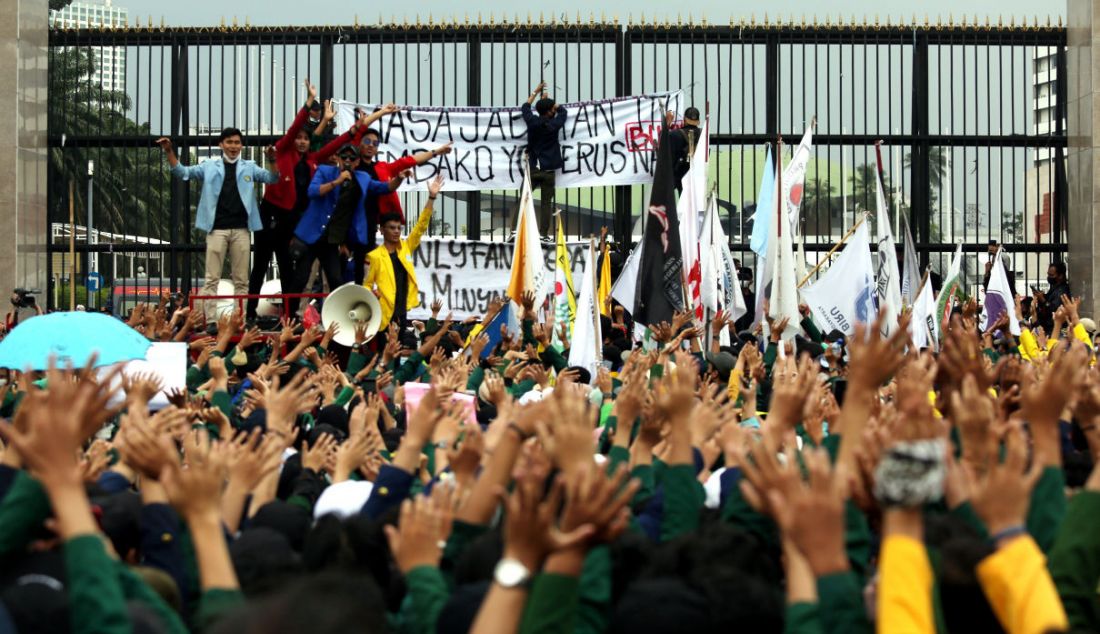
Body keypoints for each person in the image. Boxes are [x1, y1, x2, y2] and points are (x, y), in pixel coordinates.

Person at [247, 87, 396, 321]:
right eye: (299, 138)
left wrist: (380, 114)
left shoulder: (315, 161)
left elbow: (349, 136)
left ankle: (290, 317)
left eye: (306, 139)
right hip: (273, 215)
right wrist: (308, 103)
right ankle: (249, 314)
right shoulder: (285, 151)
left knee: (292, 271)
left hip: (296, 221)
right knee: (262, 267)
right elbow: (296, 129)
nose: (302, 141)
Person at [157, 129, 279, 315]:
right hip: (216, 229)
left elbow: (273, 178)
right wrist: (169, 151)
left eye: (237, 142)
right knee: (211, 278)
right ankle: (212, 320)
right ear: (221, 144)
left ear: (241, 145)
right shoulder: (209, 166)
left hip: (242, 230)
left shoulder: (249, 167)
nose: (233, 146)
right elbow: (181, 172)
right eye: (229, 142)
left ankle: (240, 319)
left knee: (241, 281)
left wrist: (272, 160)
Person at [284, 144, 405, 316]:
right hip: (310, 236)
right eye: (344, 157)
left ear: (356, 162)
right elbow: (312, 192)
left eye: (352, 158)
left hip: (330, 241)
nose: (347, 161)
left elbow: (384, 188)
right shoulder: (326, 172)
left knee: (336, 279)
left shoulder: (362, 178)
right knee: (301, 278)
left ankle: (338, 317)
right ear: (338, 159)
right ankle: (290, 318)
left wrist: (398, 178)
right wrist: (337, 182)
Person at [352, 115, 453, 282]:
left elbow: (410, 161)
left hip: (371, 221)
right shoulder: (350, 164)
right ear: (360, 144)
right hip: (353, 221)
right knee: (351, 267)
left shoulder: (383, 167)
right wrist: (380, 113)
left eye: (375, 143)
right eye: (367, 141)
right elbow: (353, 134)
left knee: (367, 268)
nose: (371, 146)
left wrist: (437, 152)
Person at [364, 174, 444, 331]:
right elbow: (366, 284)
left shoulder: (405, 247)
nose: (396, 231)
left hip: (402, 312)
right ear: (382, 230)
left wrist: (432, 198)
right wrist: (372, 294)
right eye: (391, 228)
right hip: (382, 315)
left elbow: (420, 226)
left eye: (398, 228)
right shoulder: (373, 256)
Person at [520, 81, 566, 237]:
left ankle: (516, 230)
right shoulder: (553, 125)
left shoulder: (532, 122)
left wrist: (536, 93)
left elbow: (525, 107)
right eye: (551, 109)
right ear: (549, 112)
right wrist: (554, 105)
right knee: (546, 204)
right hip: (549, 171)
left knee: (524, 199)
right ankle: (543, 234)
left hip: (534, 168)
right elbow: (563, 113)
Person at [668, 106, 703, 190]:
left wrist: (668, 123)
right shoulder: (703, 134)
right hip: (698, 175)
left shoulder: (674, 134)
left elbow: (667, 153)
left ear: (684, 119)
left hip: (680, 175)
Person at [1035, 260, 1070, 333]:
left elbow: (1054, 309)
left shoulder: (1062, 290)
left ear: (1060, 276)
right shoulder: (1054, 288)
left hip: (1055, 329)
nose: (1049, 277)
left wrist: (1043, 300)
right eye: (1048, 274)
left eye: (1052, 275)